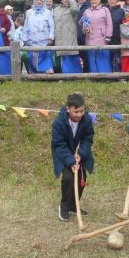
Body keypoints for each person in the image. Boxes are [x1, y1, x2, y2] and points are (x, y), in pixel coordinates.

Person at [51, 93, 95, 222]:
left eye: (82, 111)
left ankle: (74, 205)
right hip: (63, 153)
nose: (80, 114)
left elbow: (88, 139)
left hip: (80, 153)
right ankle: (64, 207)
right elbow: (59, 145)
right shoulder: (59, 123)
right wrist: (71, 161)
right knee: (69, 178)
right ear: (68, 109)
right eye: (76, 111)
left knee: (81, 178)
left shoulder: (86, 120)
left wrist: (81, 153)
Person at [80, 0, 113, 73]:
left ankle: (106, 76)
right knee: (92, 59)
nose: (93, 1)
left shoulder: (105, 10)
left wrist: (108, 36)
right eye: (92, 0)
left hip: (102, 39)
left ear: (99, 0)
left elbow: (109, 23)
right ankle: (94, 77)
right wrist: (83, 21)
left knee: (103, 58)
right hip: (90, 39)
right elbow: (80, 21)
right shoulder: (87, 11)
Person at [23, 0, 55, 74]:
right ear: (34, 1)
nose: (38, 1)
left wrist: (51, 37)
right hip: (32, 40)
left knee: (45, 56)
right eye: (37, 0)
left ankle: (47, 72)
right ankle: (33, 72)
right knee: (32, 56)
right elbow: (26, 26)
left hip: (44, 40)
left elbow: (51, 26)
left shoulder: (47, 12)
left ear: (42, 1)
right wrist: (25, 38)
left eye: (40, 0)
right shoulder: (29, 12)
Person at [52, 0, 82, 73]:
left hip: (70, 37)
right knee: (63, 58)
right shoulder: (56, 10)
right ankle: (66, 76)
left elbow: (75, 9)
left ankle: (77, 76)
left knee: (72, 56)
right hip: (59, 38)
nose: (66, 0)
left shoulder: (72, 9)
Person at [108, 0, 125, 72]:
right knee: (109, 59)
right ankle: (111, 76)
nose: (111, 1)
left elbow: (124, 25)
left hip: (118, 38)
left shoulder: (121, 11)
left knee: (118, 59)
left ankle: (119, 76)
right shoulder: (105, 10)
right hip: (107, 39)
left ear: (116, 1)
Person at [76, 0, 91, 72]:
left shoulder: (87, 7)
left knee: (86, 56)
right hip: (78, 36)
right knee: (81, 55)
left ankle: (87, 72)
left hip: (84, 36)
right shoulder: (78, 7)